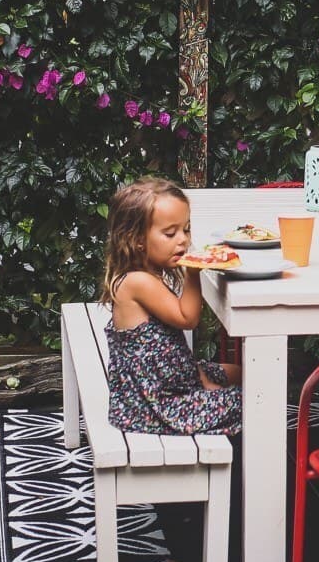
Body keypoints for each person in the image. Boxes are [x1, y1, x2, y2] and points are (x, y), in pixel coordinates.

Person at [102, 176, 242, 435]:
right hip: (156, 406)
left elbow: (171, 350)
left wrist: (200, 378)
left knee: (239, 372)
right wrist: (193, 272)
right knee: (253, 400)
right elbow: (186, 319)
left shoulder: (145, 275)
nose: (183, 240)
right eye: (170, 233)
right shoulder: (137, 282)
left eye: (186, 229)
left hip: (172, 381)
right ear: (137, 239)